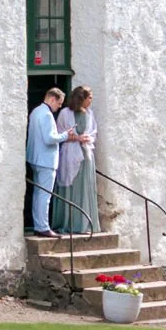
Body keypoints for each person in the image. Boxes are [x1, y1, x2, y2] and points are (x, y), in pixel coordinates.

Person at [52, 84, 99, 235]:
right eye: (89, 97)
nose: (91, 100)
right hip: (70, 156)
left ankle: (84, 224)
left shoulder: (89, 114)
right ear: (81, 98)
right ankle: (68, 223)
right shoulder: (65, 113)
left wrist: (86, 138)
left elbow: (93, 132)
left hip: (86, 156)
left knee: (85, 188)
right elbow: (59, 134)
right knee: (71, 188)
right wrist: (76, 138)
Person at [26, 86, 65, 234]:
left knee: (38, 194)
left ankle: (38, 225)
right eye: (59, 103)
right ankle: (43, 227)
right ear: (52, 99)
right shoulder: (47, 115)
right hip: (46, 160)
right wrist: (65, 135)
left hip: (35, 158)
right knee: (45, 195)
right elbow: (50, 139)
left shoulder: (36, 111)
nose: (59, 107)